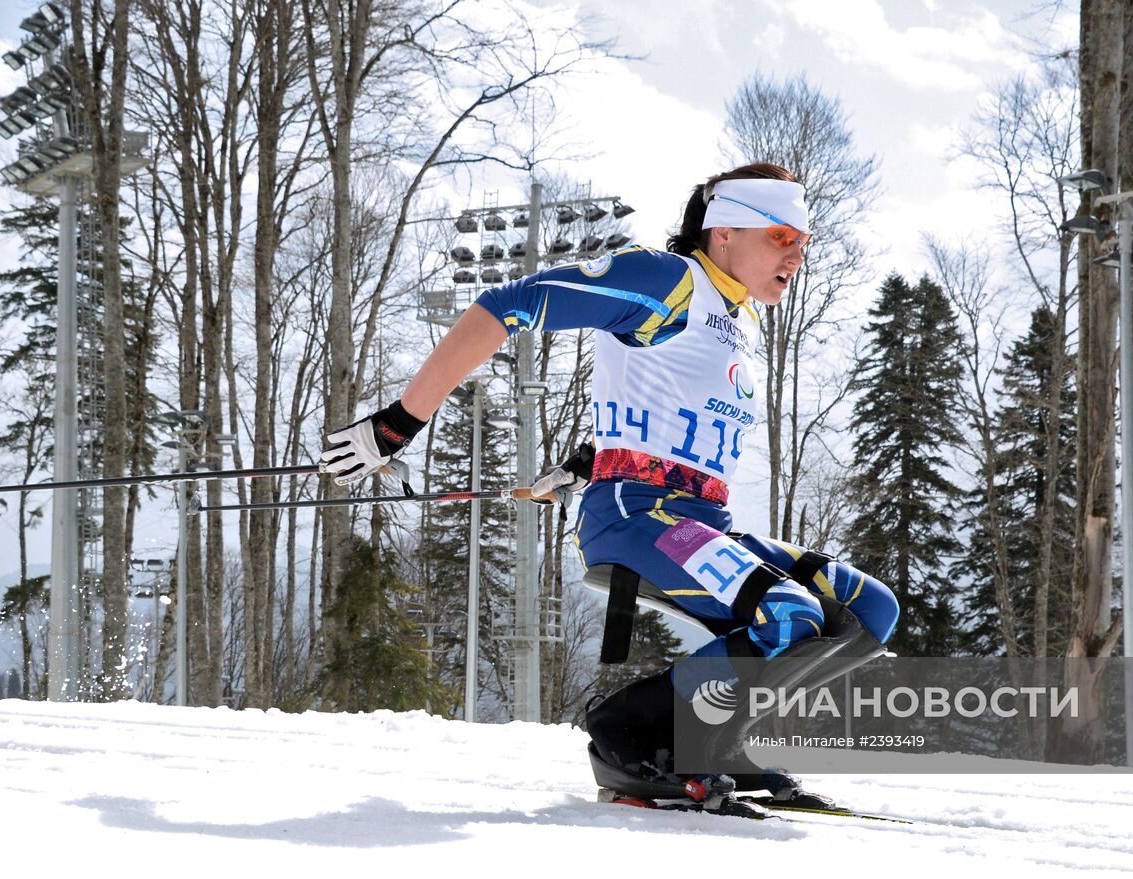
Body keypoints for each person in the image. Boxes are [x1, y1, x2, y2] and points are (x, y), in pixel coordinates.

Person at [320, 162, 898, 812]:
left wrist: (584, 459)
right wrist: (401, 420)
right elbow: (509, 304)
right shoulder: (668, 280)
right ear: (725, 230)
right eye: (780, 235)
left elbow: (657, 405)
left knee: (870, 610)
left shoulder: (738, 318)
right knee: (791, 613)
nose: (795, 254)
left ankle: (718, 742)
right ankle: (625, 734)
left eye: (803, 242)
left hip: (703, 520)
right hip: (638, 515)